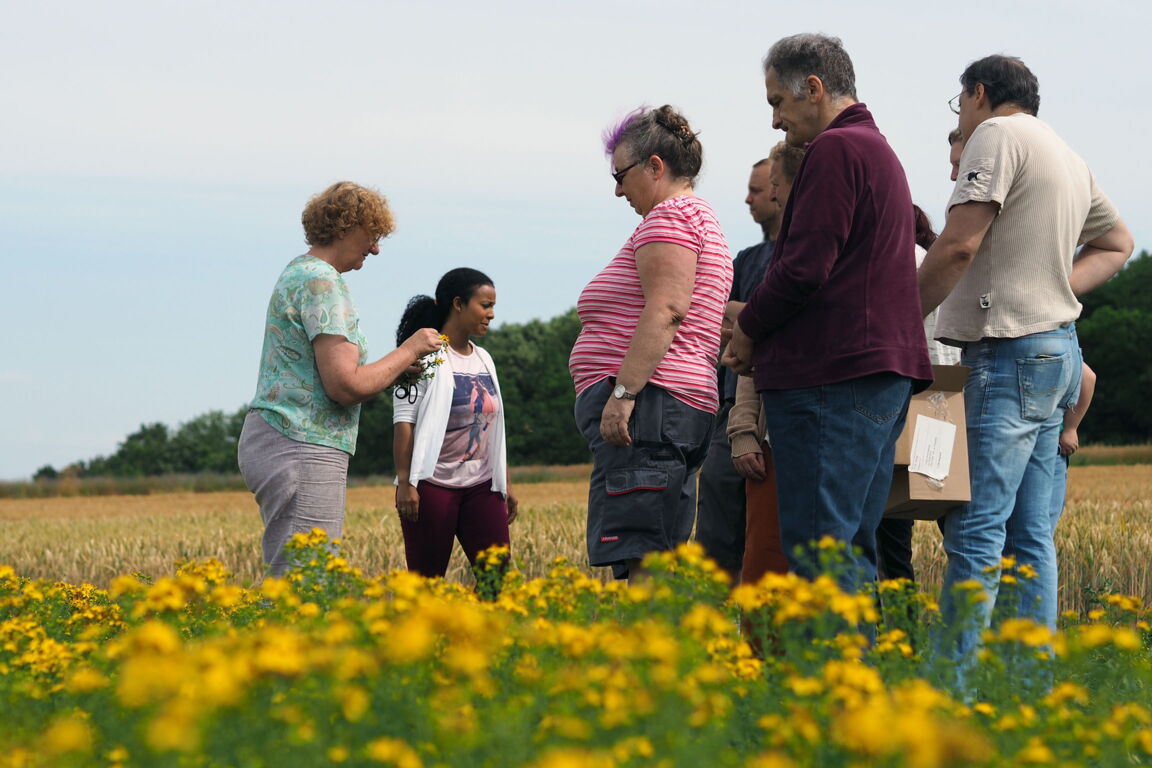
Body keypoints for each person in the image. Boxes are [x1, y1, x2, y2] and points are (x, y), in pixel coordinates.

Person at [918, 55, 1133, 655]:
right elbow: (1118, 243)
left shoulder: (995, 134)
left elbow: (959, 246)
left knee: (977, 530)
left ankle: (953, 687)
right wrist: (1054, 288)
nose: (962, 115)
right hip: (1058, 352)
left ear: (978, 93)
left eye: (960, 102)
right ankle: (1027, 688)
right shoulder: (1066, 154)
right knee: (1031, 537)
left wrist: (897, 319)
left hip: (1006, 353)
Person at [723, 34, 932, 592]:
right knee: (847, 551)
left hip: (832, 381)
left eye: (778, 102)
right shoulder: (875, 149)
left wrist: (748, 328)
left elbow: (803, 268)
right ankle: (856, 652)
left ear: (813, 88)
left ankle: (830, 653)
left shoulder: (835, 150)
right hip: (873, 378)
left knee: (820, 557)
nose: (775, 119)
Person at [238, 181, 443, 576]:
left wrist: (395, 368)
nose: (376, 248)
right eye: (373, 235)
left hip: (283, 437)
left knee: (298, 573)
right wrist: (411, 348)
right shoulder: (323, 282)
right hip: (302, 440)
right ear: (347, 227)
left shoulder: (299, 272)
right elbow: (345, 386)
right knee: (306, 579)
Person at [570, 104, 733, 581]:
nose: (618, 190)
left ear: (655, 166)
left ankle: (650, 633)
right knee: (659, 552)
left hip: (650, 409)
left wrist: (623, 395)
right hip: (672, 408)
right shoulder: (700, 219)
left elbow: (667, 309)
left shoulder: (669, 219)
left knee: (646, 560)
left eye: (621, 175)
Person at [392, 268, 518, 578]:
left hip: (482, 486)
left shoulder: (485, 359)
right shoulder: (424, 357)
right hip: (433, 487)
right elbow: (404, 423)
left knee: (497, 579)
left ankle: (468, 615)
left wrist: (505, 484)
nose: (491, 314)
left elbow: (493, 428)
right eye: (485, 305)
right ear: (459, 304)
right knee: (427, 581)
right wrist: (406, 483)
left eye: (493, 306)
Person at [695, 151, 785, 580]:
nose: (748, 200)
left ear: (779, 191)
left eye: (756, 190)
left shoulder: (801, 255)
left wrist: (745, 317)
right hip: (732, 408)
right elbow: (711, 324)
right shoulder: (746, 260)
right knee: (717, 527)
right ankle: (715, 613)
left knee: (772, 537)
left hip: (780, 409)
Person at [725, 142, 804, 585]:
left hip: (829, 431)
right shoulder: (760, 261)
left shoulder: (823, 254)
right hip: (770, 429)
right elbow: (750, 349)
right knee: (761, 552)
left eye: (771, 186)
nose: (762, 196)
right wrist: (742, 429)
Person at [875, 205, 962, 582]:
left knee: (890, 520)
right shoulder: (934, 260)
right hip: (946, 393)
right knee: (949, 507)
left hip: (909, 389)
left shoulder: (895, 260)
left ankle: (900, 612)